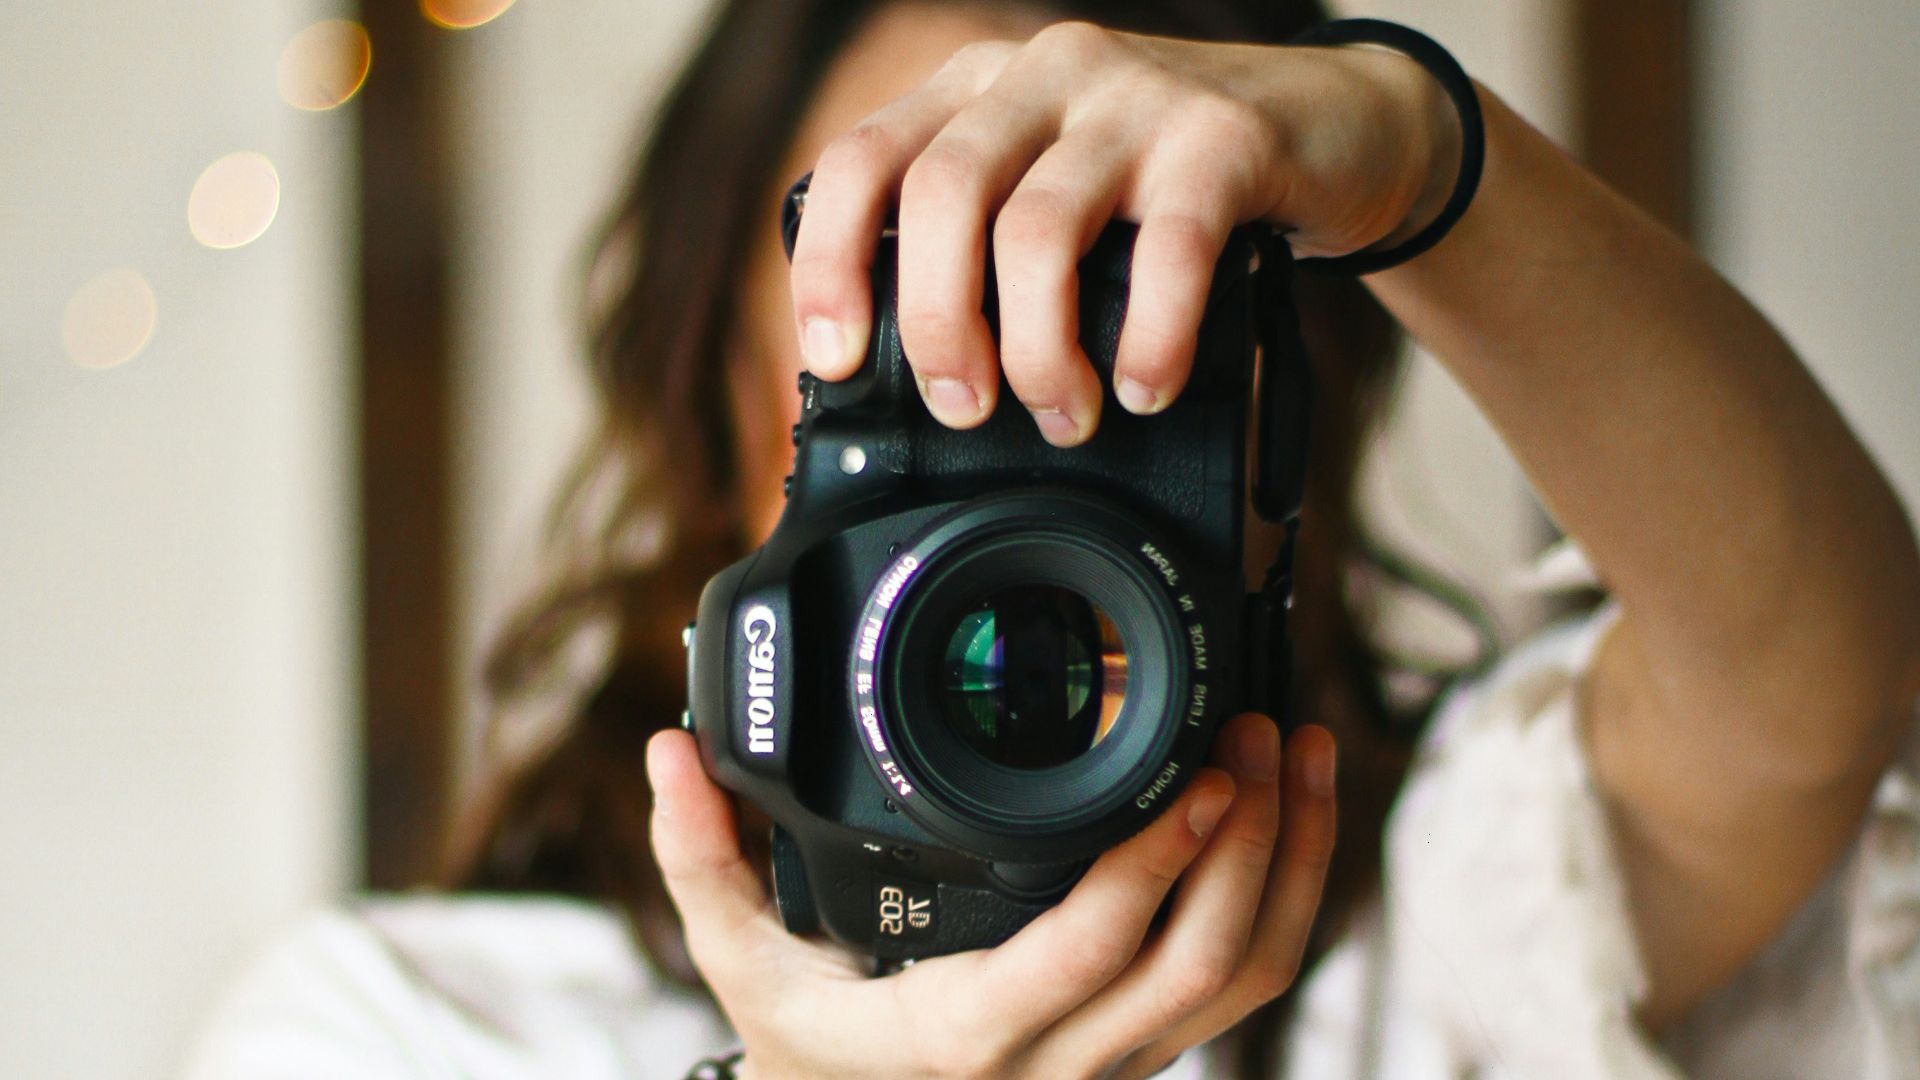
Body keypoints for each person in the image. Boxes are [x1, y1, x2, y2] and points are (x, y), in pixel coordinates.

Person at [187, 1, 1920, 1078]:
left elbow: (1810, 691)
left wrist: (1421, 155)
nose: (993, 384)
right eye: (891, 279)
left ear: (1271, 425)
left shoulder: (1407, 938)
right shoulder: (415, 1029)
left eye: (1097, 283)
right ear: (711, 381)